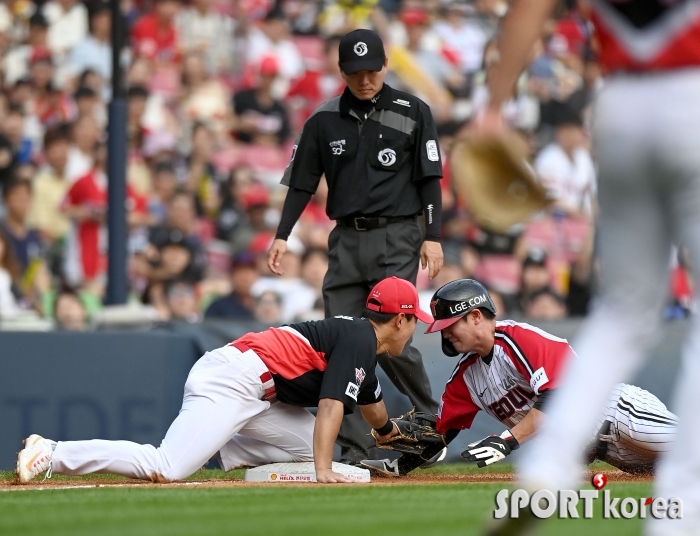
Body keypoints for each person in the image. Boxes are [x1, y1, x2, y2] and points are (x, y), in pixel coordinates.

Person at [476, 2, 700, 535]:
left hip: (618, 107)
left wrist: (493, 107)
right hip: (691, 96)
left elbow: (529, 9)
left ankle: (547, 471)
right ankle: (679, 511)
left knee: (621, 313)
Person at [16, 276, 432, 485]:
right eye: (415, 322)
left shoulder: (360, 341)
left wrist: (393, 434)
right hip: (232, 381)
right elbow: (330, 406)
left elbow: (374, 411)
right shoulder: (360, 339)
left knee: (314, 447)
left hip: (258, 394)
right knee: (166, 467)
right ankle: (53, 451)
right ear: (401, 319)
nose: (414, 329)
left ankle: (229, 446)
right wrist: (323, 471)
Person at [267, 29, 445, 462]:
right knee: (342, 340)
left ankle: (430, 423)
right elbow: (302, 183)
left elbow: (430, 179)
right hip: (345, 236)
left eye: (371, 70)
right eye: (354, 72)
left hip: (398, 232)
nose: (364, 80)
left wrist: (433, 235)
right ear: (341, 72)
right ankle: (356, 448)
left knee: (396, 331)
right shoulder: (323, 119)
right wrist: (282, 234)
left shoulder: (413, 110)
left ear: (385, 65)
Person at [362, 280, 677, 479]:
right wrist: (399, 465)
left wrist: (507, 441)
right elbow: (439, 434)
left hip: (621, 415)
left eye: (450, 324)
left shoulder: (520, 339)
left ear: (475, 316)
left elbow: (558, 397)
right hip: (608, 452)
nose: (445, 333)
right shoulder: (465, 378)